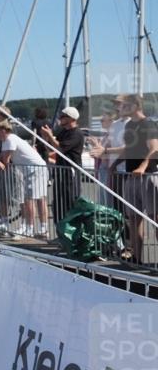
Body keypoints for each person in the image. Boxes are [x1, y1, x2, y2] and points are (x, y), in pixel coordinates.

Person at [91, 94, 158, 262]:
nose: (119, 108)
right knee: (134, 219)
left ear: (134, 105)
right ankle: (136, 256)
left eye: (123, 105)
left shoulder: (147, 124)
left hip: (147, 176)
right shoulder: (130, 126)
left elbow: (154, 148)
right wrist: (114, 164)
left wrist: (142, 167)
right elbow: (128, 149)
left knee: (155, 218)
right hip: (130, 176)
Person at [0, 121, 49, 238]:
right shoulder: (8, 140)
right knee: (39, 199)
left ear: (3, 130)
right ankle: (42, 228)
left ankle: (29, 229)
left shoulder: (9, 140)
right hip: (37, 168)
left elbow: (5, 161)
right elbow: (1, 157)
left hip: (34, 169)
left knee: (29, 199)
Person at [38, 106, 84, 228]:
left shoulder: (76, 133)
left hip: (70, 172)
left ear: (72, 118)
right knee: (57, 204)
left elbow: (61, 148)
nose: (60, 118)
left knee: (70, 203)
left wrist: (51, 136)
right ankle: (60, 232)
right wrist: (46, 138)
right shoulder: (63, 132)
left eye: (63, 116)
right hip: (60, 171)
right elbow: (51, 150)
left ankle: (73, 233)